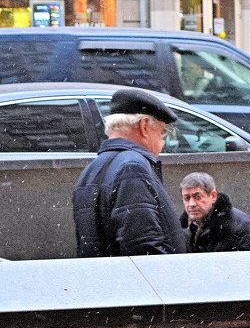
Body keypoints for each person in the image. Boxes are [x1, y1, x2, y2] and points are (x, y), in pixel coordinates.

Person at [72, 88, 188, 257]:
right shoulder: (132, 168)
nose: (162, 142)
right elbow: (143, 248)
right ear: (144, 126)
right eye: (162, 133)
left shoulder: (91, 169)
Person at [179, 171, 250, 253]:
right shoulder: (183, 228)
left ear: (213, 196)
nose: (191, 204)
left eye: (197, 197)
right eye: (186, 198)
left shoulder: (242, 226)